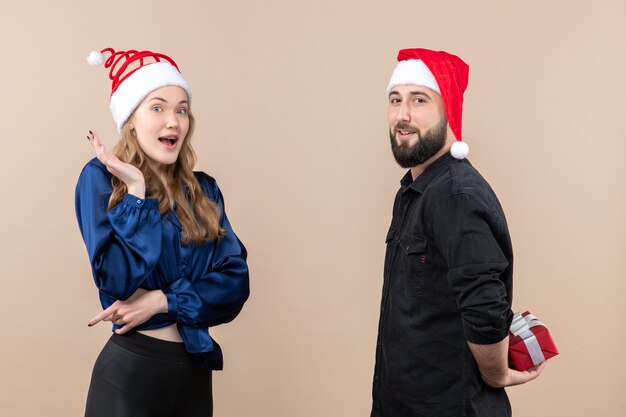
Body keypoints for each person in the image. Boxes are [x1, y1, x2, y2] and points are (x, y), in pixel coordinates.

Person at [75, 48, 250, 417]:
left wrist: (162, 301)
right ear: (131, 119)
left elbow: (235, 284)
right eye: (157, 108)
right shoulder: (100, 180)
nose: (173, 121)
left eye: (181, 109)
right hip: (129, 377)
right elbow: (115, 283)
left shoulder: (204, 191)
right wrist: (137, 194)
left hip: (194, 374)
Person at [371, 48, 545, 417]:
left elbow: (484, 306)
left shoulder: (456, 195)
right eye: (395, 100)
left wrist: (497, 375)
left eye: (419, 100)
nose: (402, 115)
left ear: (447, 108)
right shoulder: (414, 191)